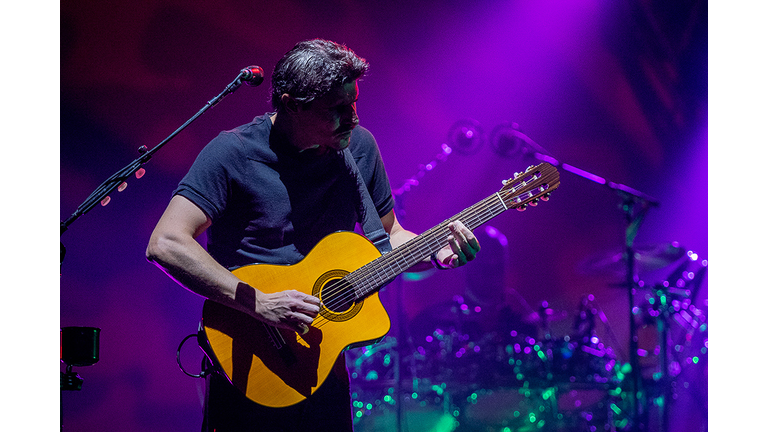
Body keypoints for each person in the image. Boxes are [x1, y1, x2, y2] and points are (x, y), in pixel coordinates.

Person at [146, 39, 481, 432]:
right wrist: (261, 304)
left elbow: (390, 236)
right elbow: (166, 242)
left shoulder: (360, 148)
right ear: (291, 104)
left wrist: (435, 252)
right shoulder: (233, 152)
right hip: (250, 351)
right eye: (337, 110)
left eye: (354, 103)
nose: (352, 118)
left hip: (322, 359)